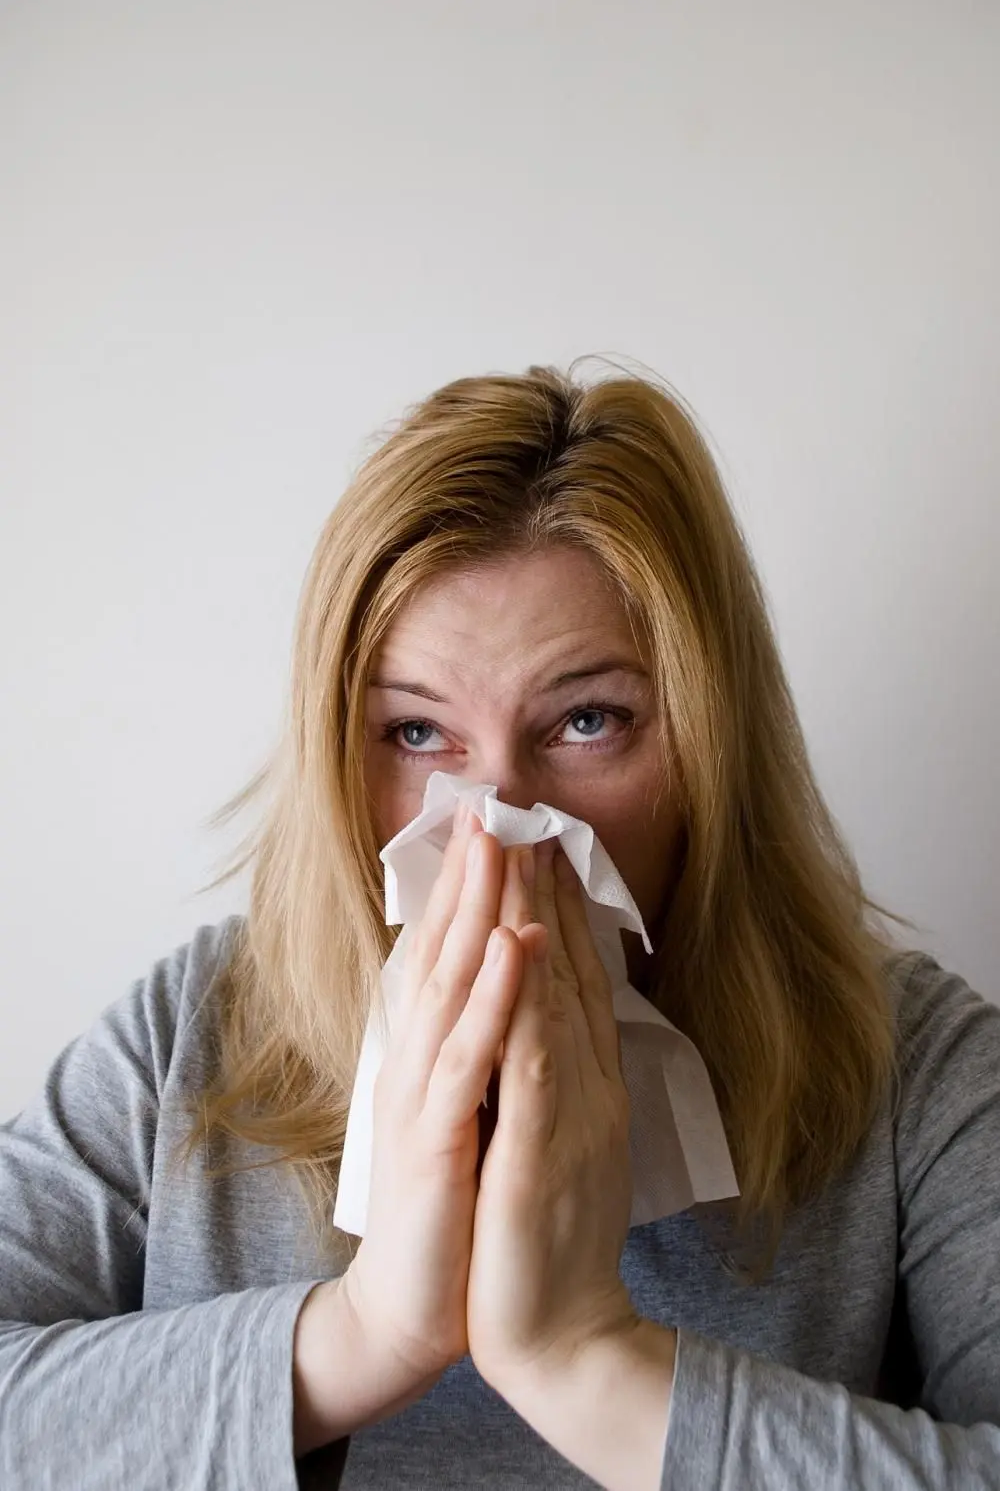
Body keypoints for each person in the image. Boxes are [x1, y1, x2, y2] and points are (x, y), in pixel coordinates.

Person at [1, 364, 998, 1491]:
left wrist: (586, 1363)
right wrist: (363, 1337)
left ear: (710, 748)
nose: (496, 827)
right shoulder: (195, 1037)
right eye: (418, 734)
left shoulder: (911, 1067)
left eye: (586, 720)